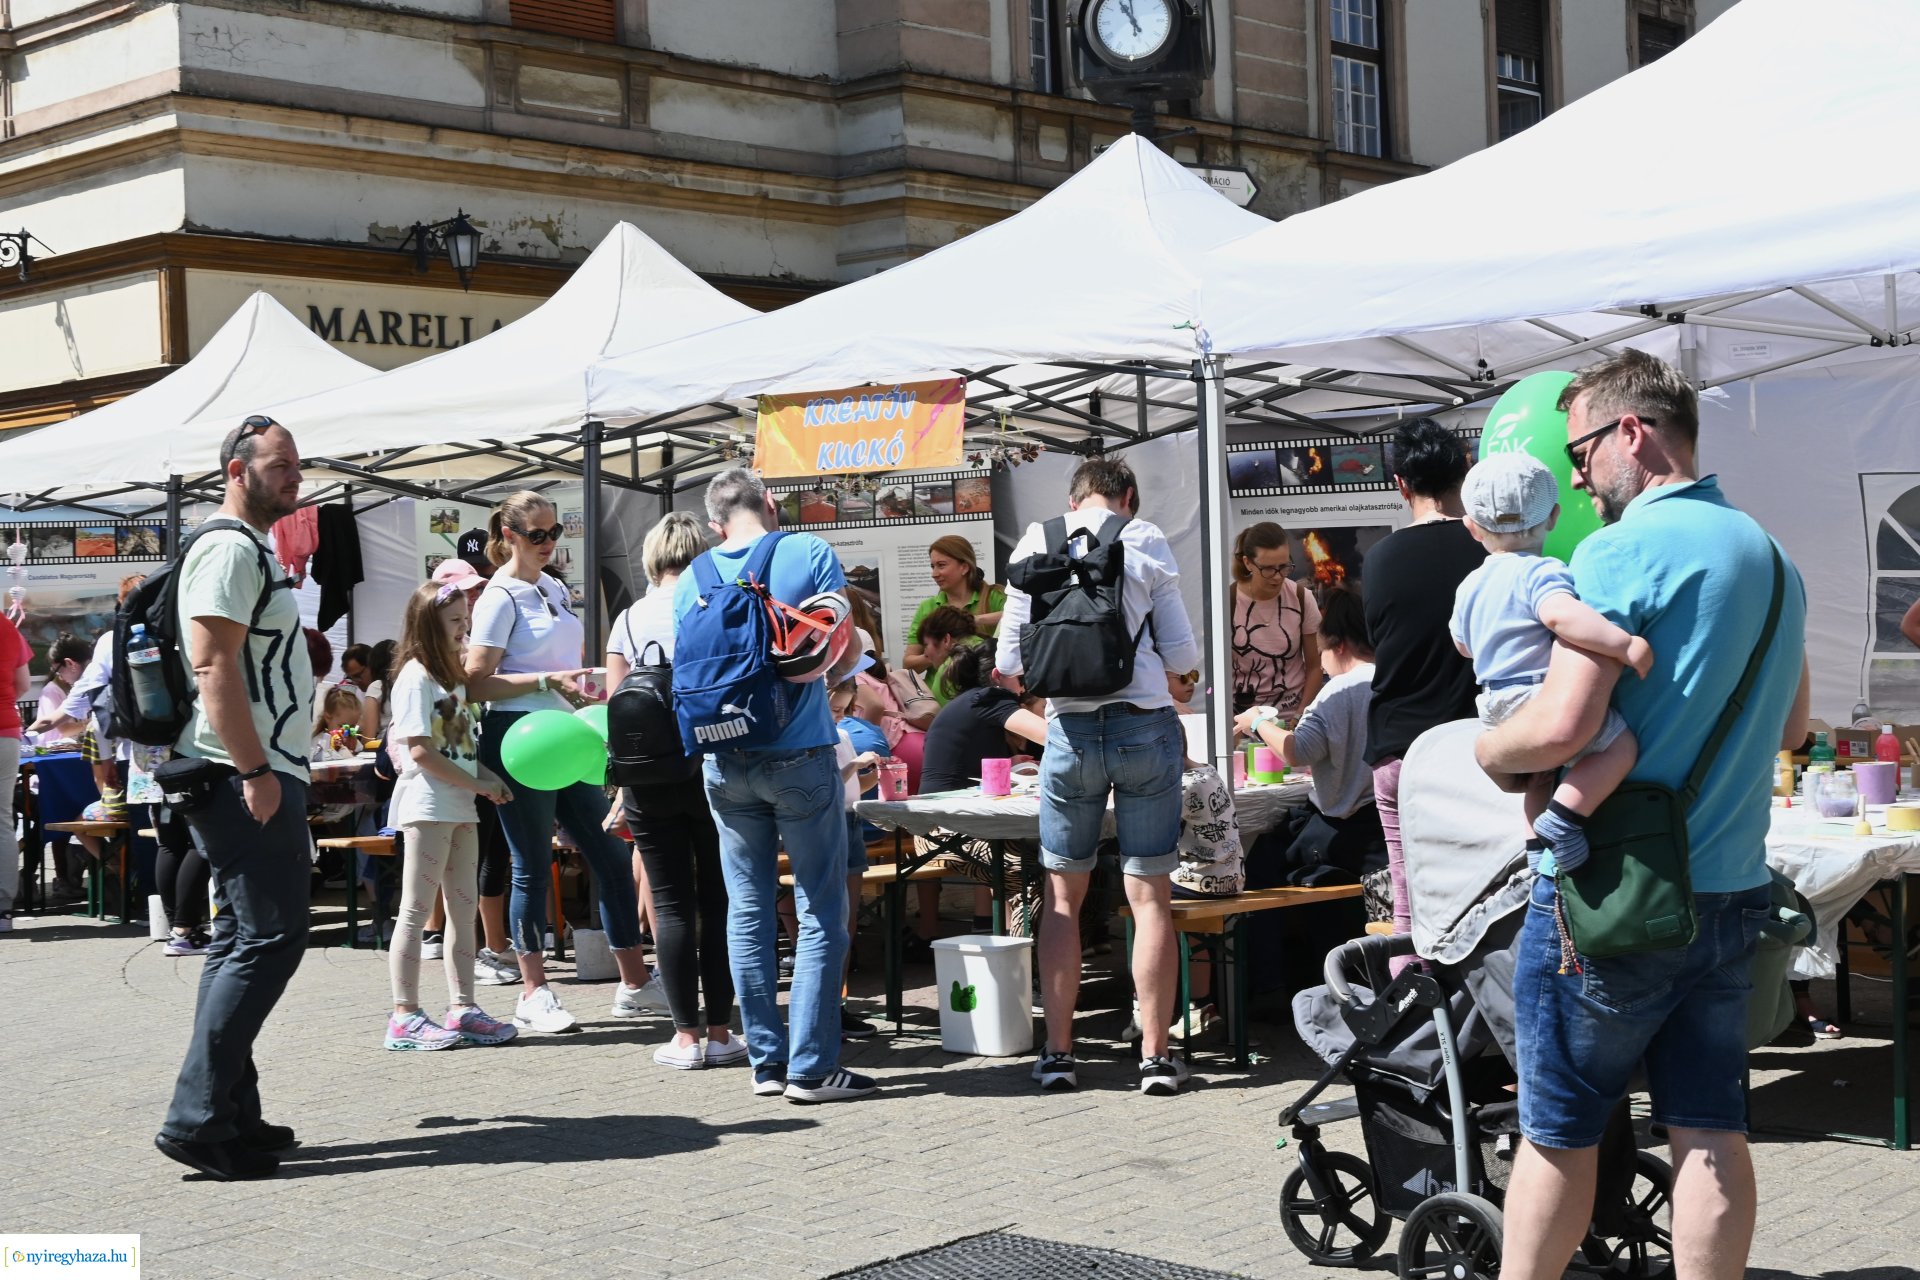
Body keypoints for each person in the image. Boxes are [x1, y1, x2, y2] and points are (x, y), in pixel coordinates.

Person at [1471, 350, 1810, 1280]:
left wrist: (1491, 750)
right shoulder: (1773, 556)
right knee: (1711, 1127)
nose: (1577, 478)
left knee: (1558, 1129)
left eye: (1580, 453)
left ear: (1632, 432)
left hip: (1612, 894)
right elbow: (1794, 728)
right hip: (1733, 886)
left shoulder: (1616, 551)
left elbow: (1563, 725)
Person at [999, 456, 1203, 1096]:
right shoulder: (1143, 538)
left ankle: (1058, 1055)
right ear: (1129, 496)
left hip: (1070, 733)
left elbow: (1008, 660)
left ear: (1073, 499)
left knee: (1062, 898)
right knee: (1149, 897)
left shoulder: (1035, 541)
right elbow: (1183, 654)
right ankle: (1155, 1059)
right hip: (1144, 725)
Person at [674, 468, 877, 1104]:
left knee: (748, 909)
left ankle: (766, 1063)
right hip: (798, 752)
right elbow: (842, 651)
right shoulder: (806, 552)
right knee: (820, 910)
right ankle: (812, 1070)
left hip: (722, 757)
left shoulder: (693, 577)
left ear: (714, 523)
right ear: (769, 501)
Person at [155, 415, 313, 1182]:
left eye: (297, 466)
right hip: (241, 771)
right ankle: (197, 1120)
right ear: (236, 471)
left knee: (241, 939)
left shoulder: (249, 546)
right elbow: (213, 666)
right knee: (270, 938)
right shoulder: (227, 549)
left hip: (249, 768)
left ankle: (230, 1114)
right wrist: (255, 772)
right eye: (281, 465)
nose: (295, 478)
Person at [467, 490, 656, 1034]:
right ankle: (533, 993)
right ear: (509, 536)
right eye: (537, 535)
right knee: (529, 864)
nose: (549, 542)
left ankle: (636, 985)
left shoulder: (551, 586)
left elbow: (556, 664)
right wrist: (546, 680)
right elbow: (475, 682)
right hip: (518, 739)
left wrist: (577, 685)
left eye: (555, 532)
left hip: (564, 736)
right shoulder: (498, 596)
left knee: (612, 855)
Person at [1451, 451, 1652, 876]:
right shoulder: (1541, 571)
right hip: (1536, 692)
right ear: (1555, 516)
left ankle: (1532, 854)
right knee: (1619, 747)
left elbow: (1463, 645)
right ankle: (1563, 820)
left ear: (1471, 527)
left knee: (1539, 775)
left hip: (1493, 701)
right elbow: (1561, 616)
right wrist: (1624, 644)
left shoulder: (1469, 584)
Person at [604, 511, 745, 1071]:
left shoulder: (629, 619)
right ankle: (721, 1033)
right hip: (716, 766)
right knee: (719, 902)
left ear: (651, 558)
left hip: (649, 777)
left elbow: (616, 706)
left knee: (670, 905)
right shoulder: (717, 605)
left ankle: (684, 1038)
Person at [382, 578, 519, 1051]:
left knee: (464, 910)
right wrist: (480, 784)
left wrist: (488, 779)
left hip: (460, 807)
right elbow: (420, 751)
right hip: (428, 807)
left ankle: (463, 1008)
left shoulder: (450, 680)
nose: (464, 629)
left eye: (466, 619)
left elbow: (458, 748)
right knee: (417, 910)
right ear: (427, 624)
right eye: (455, 621)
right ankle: (404, 1015)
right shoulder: (415, 677)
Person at [1363, 416, 1484, 948]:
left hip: (1401, 748)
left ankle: (1412, 991)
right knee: (1488, 898)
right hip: (1479, 746)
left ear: (1401, 484)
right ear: (1464, 473)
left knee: (1409, 910)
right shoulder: (1491, 551)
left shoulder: (1380, 559)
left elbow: (1380, 639)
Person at [1237, 587, 1388, 886]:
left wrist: (1256, 722)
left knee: (1258, 868)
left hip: (1345, 833)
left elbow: (1298, 751)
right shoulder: (1392, 680)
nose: (1323, 664)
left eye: (1321, 653)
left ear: (1339, 646)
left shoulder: (1339, 689)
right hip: (1383, 829)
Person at [908, 640, 1048, 943]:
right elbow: (1051, 735)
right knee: (1036, 873)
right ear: (999, 674)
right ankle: (1028, 963)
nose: (1026, 683)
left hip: (940, 825)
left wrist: (1010, 764)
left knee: (1064, 865)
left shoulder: (970, 701)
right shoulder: (990, 698)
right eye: (1022, 674)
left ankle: (1038, 953)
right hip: (946, 831)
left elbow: (962, 765)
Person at [1229, 522, 1321, 719]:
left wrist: (1300, 715)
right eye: (1268, 569)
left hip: (1290, 717)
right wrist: (1227, 721)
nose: (1278, 577)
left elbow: (1315, 667)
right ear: (1247, 563)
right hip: (1241, 718)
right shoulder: (1227, 601)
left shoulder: (1301, 598)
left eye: (1284, 567)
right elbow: (1213, 677)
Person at [902, 535, 1004, 677]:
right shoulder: (928, 607)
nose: (934, 574)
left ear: (964, 567)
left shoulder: (993, 598)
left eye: (941, 565)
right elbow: (908, 664)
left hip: (985, 686)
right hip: (939, 690)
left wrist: (975, 620)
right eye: (932, 566)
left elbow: (1024, 618)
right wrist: (939, 652)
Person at [0, 611, 32, 932]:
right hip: (5, 733)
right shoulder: (6, 625)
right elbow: (22, 683)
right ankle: (2, 910)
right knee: (2, 821)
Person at [26, 633, 92, 739]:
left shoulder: (86, 683)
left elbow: (50, 722)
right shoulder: (99, 672)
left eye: (58, 671)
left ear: (70, 663)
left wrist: (22, 738)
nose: (58, 676)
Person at [912, 605, 980, 706]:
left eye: (926, 645)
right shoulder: (991, 647)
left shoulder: (948, 670)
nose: (925, 654)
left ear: (946, 640)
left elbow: (938, 714)